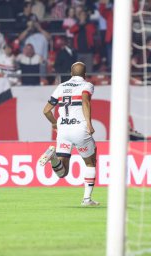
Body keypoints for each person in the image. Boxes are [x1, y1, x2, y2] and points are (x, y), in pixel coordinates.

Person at [38, 62, 99, 206]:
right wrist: (89, 124)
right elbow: (85, 102)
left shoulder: (61, 87)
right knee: (90, 162)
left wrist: (54, 123)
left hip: (63, 130)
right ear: (85, 75)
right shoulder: (87, 85)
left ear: (71, 74)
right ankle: (86, 199)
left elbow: (46, 110)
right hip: (80, 129)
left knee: (62, 173)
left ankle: (53, 158)